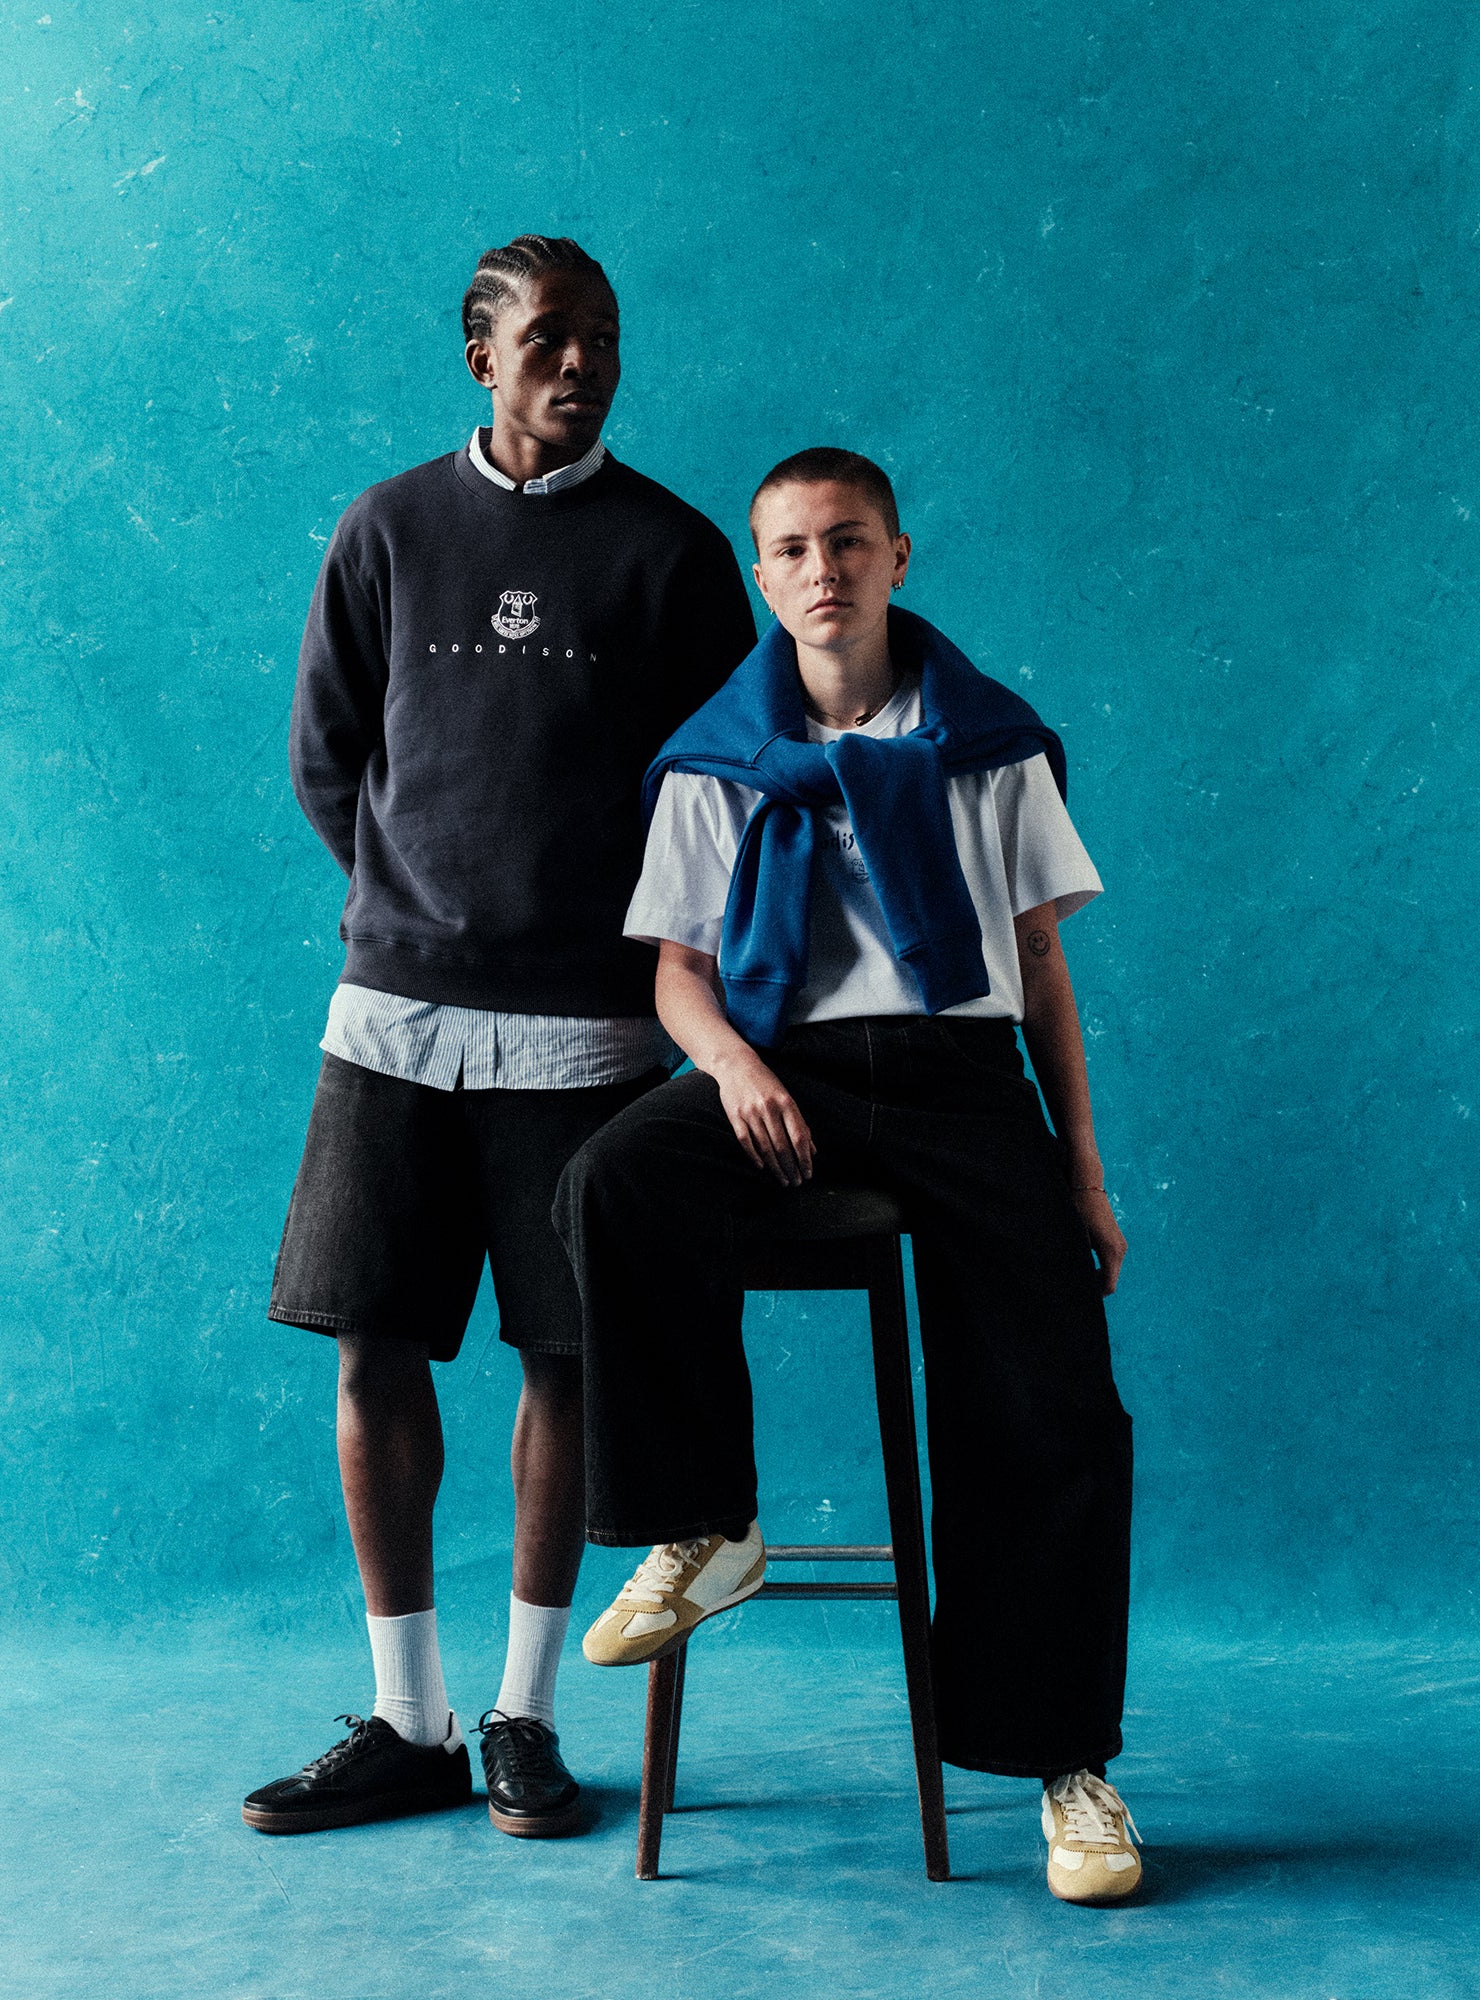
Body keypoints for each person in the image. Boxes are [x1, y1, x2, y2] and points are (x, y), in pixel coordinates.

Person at [555, 447, 1142, 1903]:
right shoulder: (718, 756)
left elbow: (1040, 961)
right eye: (794, 549)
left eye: (850, 541)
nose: (824, 570)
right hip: (791, 1073)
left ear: (897, 558)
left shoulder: (987, 744)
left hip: (961, 1083)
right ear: (764, 577)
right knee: (616, 1181)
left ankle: (1069, 1766)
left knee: (1053, 1401)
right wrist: (735, 1071)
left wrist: (1081, 1170)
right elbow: (678, 974)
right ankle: (709, 1525)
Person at [241, 236, 757, 1843]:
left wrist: (596, 941)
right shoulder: (387, 528)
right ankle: (412, 1723)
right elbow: (328, 756)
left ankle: (526, 1719)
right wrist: (420, 905)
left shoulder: (675, 555)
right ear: (482, 356)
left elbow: (718, 797)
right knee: (371, 1347)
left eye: (602, 337)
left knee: (568, 1359)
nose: (580, 363)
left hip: (589, 1038)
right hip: (390, 1020)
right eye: (547, 340)